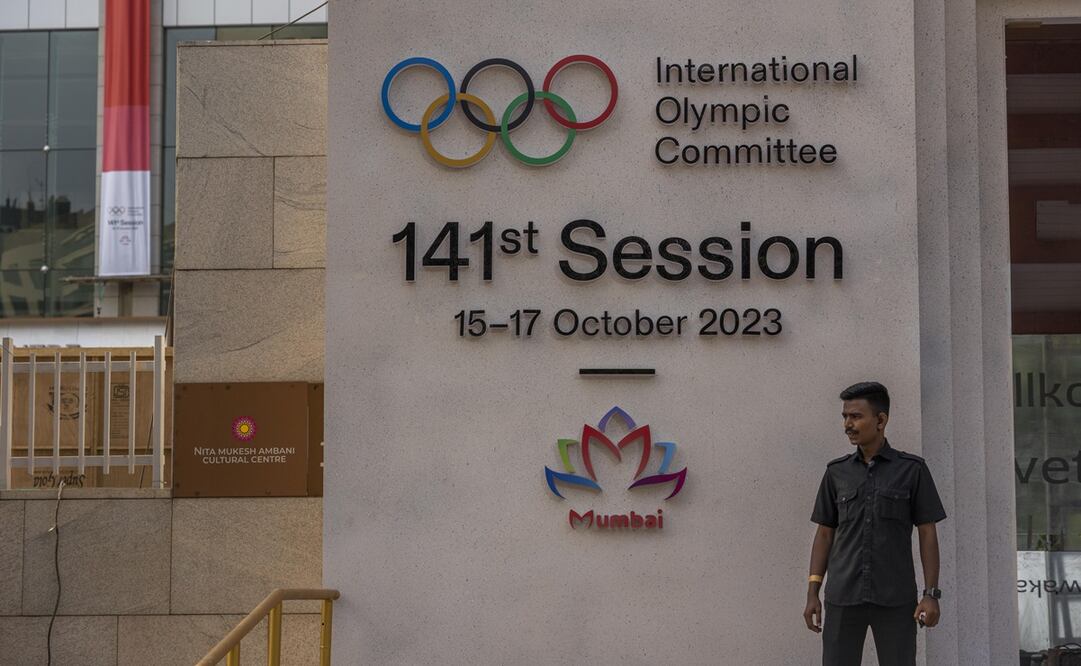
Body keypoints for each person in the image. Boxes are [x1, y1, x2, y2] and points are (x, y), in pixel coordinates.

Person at [802, 382, 947, 666]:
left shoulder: (912, 470)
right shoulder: (836, 473)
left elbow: (927, 533)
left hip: (895, 597)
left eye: (855, 416)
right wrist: (812, 593)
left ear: (881, 420)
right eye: (845, 417)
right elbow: (824, 534)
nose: (847, 424)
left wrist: (930, 594)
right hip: (843, 596)